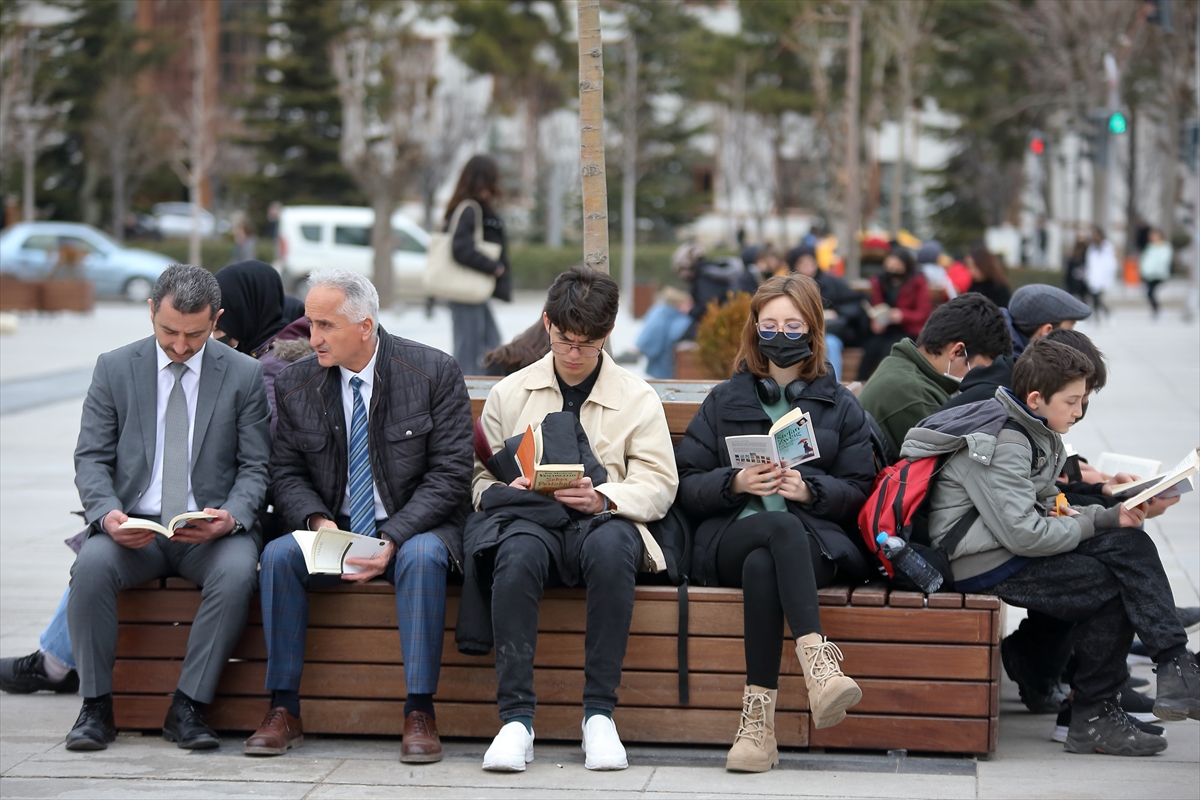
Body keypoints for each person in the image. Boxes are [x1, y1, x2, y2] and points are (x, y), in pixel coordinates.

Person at [899, 339, 1198, 756]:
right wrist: (1100, 521)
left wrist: (1107, 517)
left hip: (1002, 547)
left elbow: (1045, 507)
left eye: (1083, 401)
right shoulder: (1005, 440)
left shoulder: (1033, 429)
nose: (1078, 411)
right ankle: (1120, 697)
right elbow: (1026, 534)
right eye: (1072, 401)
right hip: (978, 561)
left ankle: (1160, 674)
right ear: (1037, 399)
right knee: (1111, 583)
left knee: (1127, 545)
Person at [246, 269, 473, 763]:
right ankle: (284, 708)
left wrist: (390, 536)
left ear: (365, 326)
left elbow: (451, 475)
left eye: (326, 326)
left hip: (417, 527)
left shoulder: (433, 371)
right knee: (279, 556)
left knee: (422, 557)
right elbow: (284, 472)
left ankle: (420, 711)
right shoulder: (297, 382)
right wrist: (316, 522)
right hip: (335, 530)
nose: (313, 338)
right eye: (310, 323)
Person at [466, 266, 678, 772]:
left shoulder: (637, 396)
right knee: (514, 554)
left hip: (602, 525)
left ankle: (599, 716)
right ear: (546, 324)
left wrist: (603, 497)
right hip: (531, 524)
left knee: (612, 549)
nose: (574, 354)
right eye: (563, 340)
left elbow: (659, 483)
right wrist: (506, 488)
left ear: (607, 335)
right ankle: (516, 719)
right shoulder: (510, 393)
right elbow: (477, 482)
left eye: (588, 343)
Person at [62, 265, 271, 752]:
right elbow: (91, 457)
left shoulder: (243, 374)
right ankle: (95, 707)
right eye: (169, 331)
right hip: (135, 529)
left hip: (207, 532)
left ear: (216, 319)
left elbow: (256, 466)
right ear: (152, 310)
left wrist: (233, 516)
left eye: (195, 335)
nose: (180, 346)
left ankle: (189, 706)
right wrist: (107, 513)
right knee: (90, 567)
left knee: (240, 571)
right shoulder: (114, 368)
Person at [674, 275, 873, 773]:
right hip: (730, 537)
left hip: (813, 544)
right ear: (754, 330)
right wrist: (737, 483)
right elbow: (685, 482)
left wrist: (809, 490)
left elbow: (860, 490)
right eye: (769, 325)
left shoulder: (840, 403)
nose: (780, 335)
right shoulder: (726, 399)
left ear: (812, 329)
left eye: (792, 325)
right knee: (770, 536)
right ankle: (818, 666)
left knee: (770, 558)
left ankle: (758, 726)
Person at [858, 293, 1012, 457]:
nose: (981, 381)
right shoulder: (914, 395)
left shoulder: (906, 368)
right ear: (958, 352)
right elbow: (951, 466)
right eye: (980, 369)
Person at [445, 154, 512, 376]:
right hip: (467, 290)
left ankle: (485, 400)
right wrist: (493, 267)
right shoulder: (470, 209)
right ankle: (464, 402)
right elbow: (461, 249)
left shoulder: (474, 207)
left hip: (476, 291)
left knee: (490, 343)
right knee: (470, 351)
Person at [786, 244, 866, 381]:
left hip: (829, 332)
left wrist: (836, 312)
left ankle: (832, 385)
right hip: (798, 333)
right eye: (802, 263)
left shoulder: (832, 282)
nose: (808, 267)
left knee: (829, 344)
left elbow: (854, 303)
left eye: (811, 262)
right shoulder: (788, 286)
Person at [858, 248, 931, 380]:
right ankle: (860, 384)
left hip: (908, 329)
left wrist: (902, 315)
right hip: (887, 328)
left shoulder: (917, 281)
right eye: (890, 266)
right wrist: (876, 321)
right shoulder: (881, 281)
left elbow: (923, 313)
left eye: (896, 267)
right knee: (871, 348)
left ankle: (885, 383)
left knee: (891, 349)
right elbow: (878, 304)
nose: (892, 271)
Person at [1003, 283, 1092, 358]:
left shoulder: (1003, 356)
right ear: (1047, 331)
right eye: (1070, 329)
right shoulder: (1022, 373)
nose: (1072, 335)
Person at [630, 286, 694, 379]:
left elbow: (651, 330)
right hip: (669, 364)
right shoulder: (674, 316)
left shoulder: (660, 312)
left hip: (664, 364)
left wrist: (639, 347)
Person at [1084, 227, 1117, 321]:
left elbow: (1111, 263)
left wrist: (1110, 276)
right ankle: (1097, 317)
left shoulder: (1107, 247)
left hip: (1103, 277)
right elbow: (1089, 263)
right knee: (1094, 299)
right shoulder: (1091, 248)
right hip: (1093, 277)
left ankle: (1106, 312)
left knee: (1098, 299)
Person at [1139, 228, 1172, 318]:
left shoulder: (1165, 246)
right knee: (1149, 293)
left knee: (1151, 292)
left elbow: (1164, 260)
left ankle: (1157, 310)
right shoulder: (1149, 246)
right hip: (1148, 274)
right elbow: (1145, 260)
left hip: (1159, 274)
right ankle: (1156, 310)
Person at [965, 244, 1012, 309]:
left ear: (984, 266)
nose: (971, 271)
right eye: (969, 267)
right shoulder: (973, 285)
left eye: (974, 267)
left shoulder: (999, 289)